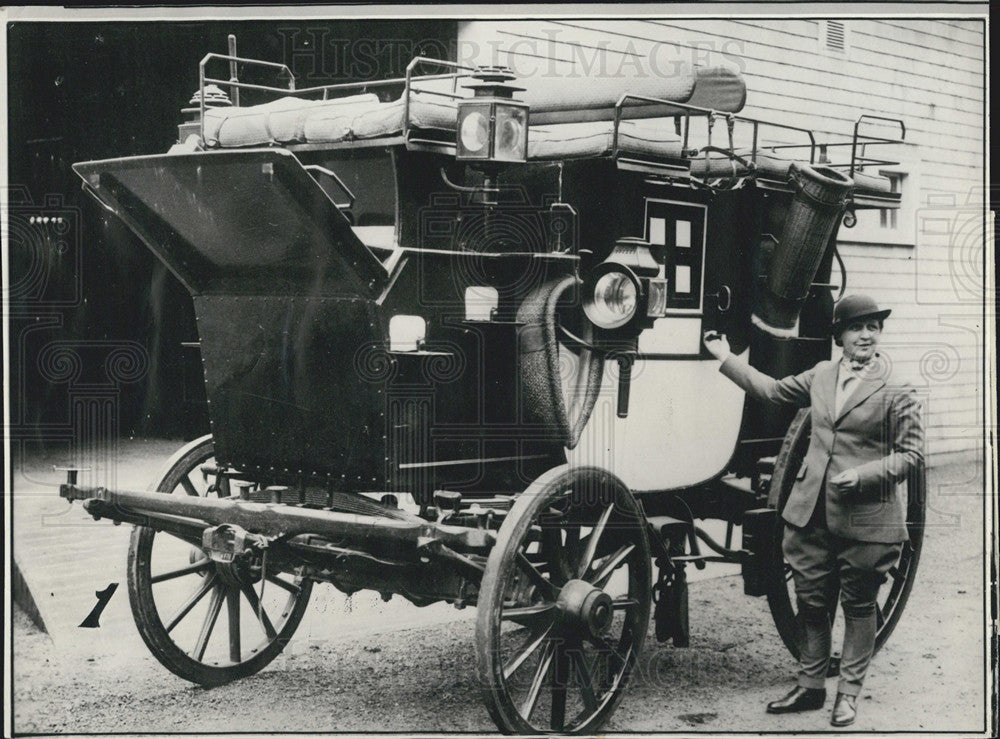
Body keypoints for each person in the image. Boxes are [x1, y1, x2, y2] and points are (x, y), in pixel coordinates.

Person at [703, 294, 923, 727]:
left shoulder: (898, 389)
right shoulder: (821, 375)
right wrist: (725, 357)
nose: (866, 335)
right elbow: (771, 390)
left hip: (866, 518)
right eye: (857, 328)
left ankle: (849, 694)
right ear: (839, 335)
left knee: (859, 605)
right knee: (811, 601)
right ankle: (810, 687)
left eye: (873, 328)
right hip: (811, 513)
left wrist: (864, 476)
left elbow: (912, 455)